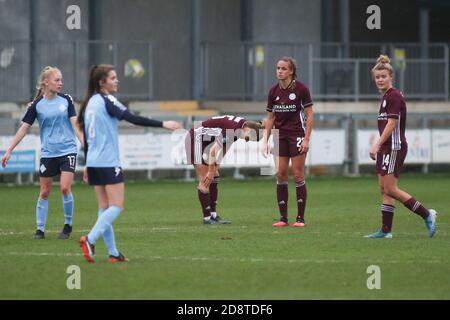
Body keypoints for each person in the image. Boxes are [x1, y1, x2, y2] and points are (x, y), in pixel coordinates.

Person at [77, 64, 182, 263]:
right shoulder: (107, 99)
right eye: (113, 77)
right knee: (117, 207)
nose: (117, 80)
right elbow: (131, 118)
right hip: (108, 161)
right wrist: (163, 124)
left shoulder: (90, 103)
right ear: (102, 82)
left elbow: (88, 137)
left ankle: (113, 253)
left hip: (93, 162)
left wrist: (86, 165)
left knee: (104, 207)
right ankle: (90, 240)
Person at [1, 66, 84, 240]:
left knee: (64, 187)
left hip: (68, 150)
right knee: (44, 191)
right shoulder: (36, 105)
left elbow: (75, 125)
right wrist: (9, 150)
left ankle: (67, 226)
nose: (60, 83)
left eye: (61, 80)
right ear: (46, 82)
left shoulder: (66, 100)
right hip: (48, 153)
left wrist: (85, 143)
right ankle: (40, 230)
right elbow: (23, 129)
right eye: (57, 80)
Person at [365, 55, 438, 238]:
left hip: (394, 148)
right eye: (377, 77)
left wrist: (376, 145)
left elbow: (391, 124)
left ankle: (427, 214)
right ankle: (386, 231)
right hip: (385, 149)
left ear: (391, 77)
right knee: (384, 189)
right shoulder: (385, 98)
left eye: (383, 76)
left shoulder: (395, 96)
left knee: (390, 188)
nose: (380, 80)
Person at [262, 57, 313, 227]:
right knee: (281, 174)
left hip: (297, 135)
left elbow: (310, 115)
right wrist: (265, 140)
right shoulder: (273, 91)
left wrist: (306, 139)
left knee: (298, 174)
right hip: (280, 136)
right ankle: (283, 218)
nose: (280, 71)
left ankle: (300, 218)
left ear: (291, 71)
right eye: (278, 68)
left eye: (284, 68)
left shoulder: (301, 89)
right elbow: (270, 118)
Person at [186, 115, 264, 224]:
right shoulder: (233, 129)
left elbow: (225, 146)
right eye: (248, 138)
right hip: (195, 139)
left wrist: (217, 164)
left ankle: (213, 215)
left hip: (203, 142)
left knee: (215, 175)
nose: (246, 141)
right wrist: (210, 170)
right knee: (205, 178)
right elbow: (214, 150)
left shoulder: (239, 129)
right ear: (248, 129)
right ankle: (207, 218)